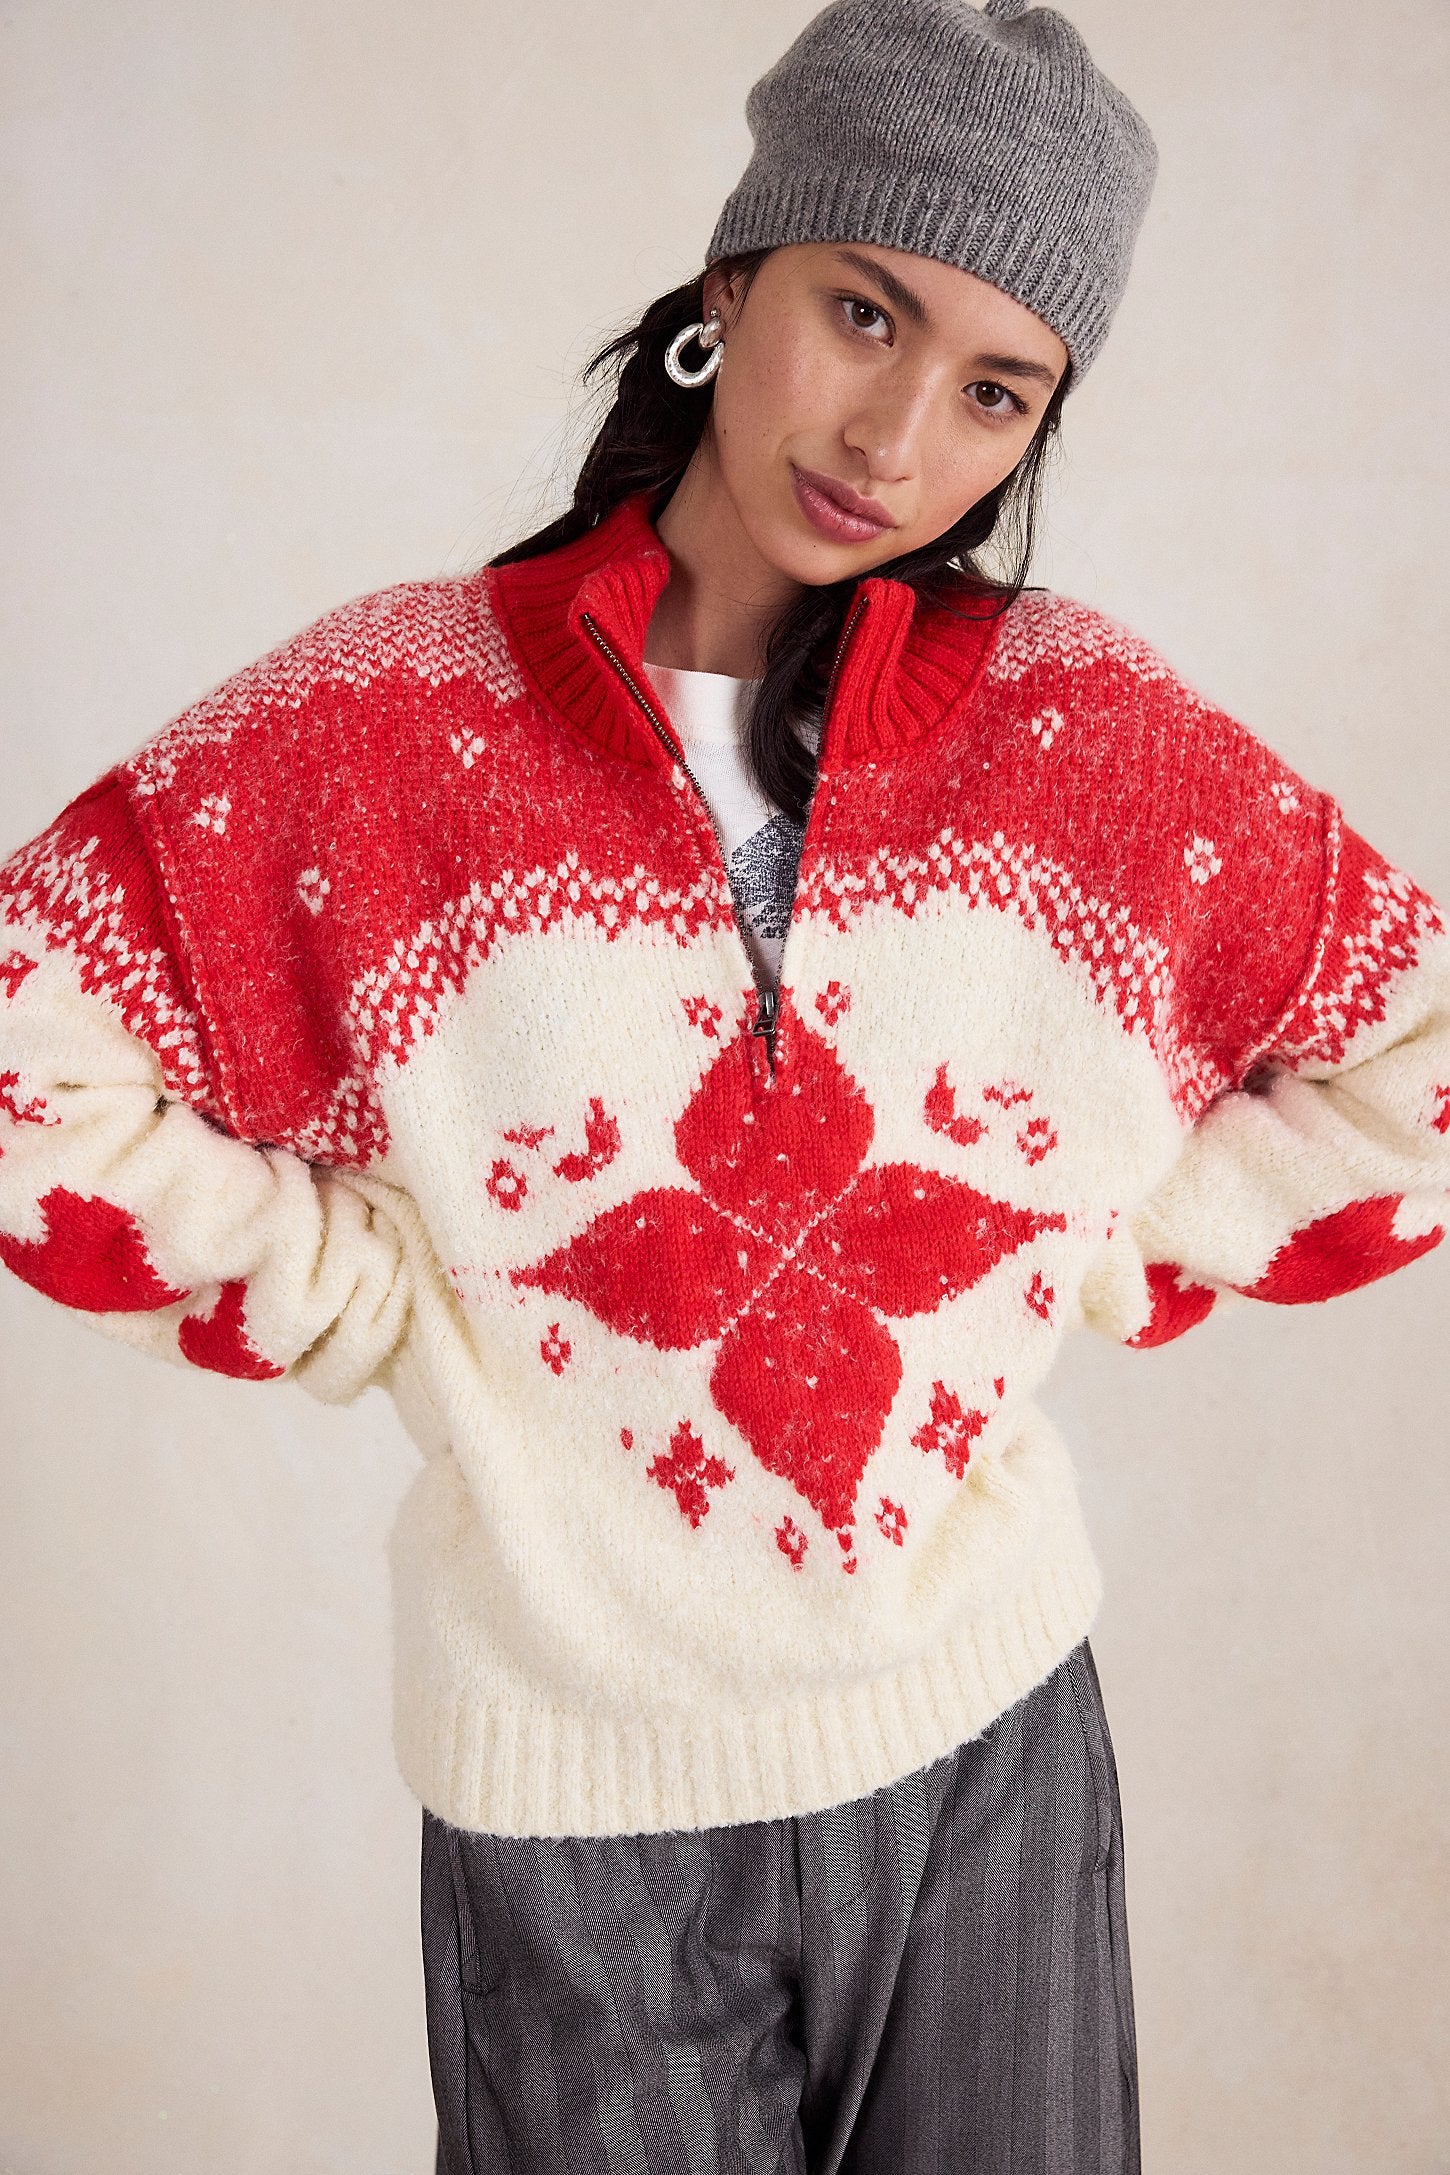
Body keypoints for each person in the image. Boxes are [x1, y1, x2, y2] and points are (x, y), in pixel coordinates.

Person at [2, 0, 1446, 2167]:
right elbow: (28, 1039)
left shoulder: (1072, 733)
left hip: (987, 1742)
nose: (894, 433)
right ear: (727, 282)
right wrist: (367, 1298)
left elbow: (1414, 1048)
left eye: (994, 390)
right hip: (574, 1809)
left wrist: (1075, 1246)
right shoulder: (386, 723)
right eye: (862, 311)